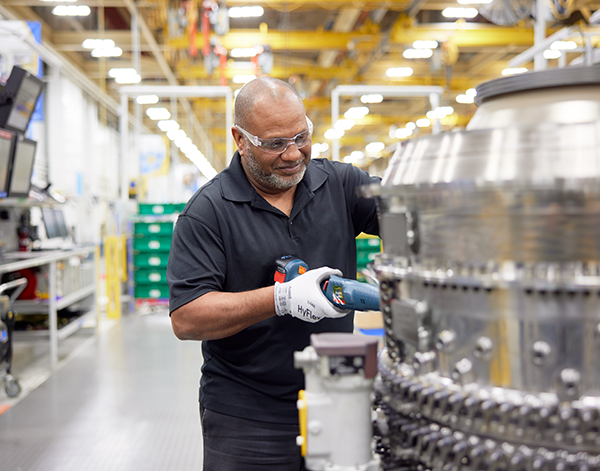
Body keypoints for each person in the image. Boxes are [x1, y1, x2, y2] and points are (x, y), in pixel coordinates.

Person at [167, 76, 380, 471]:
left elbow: (410, 215)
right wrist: (280, 299)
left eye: (301, 137)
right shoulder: (208, 212)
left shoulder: (340, 185)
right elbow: (187, 317)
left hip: (336, 392)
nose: (293, 154)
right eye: (275, 143)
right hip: (247, 411)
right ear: (240, 139)